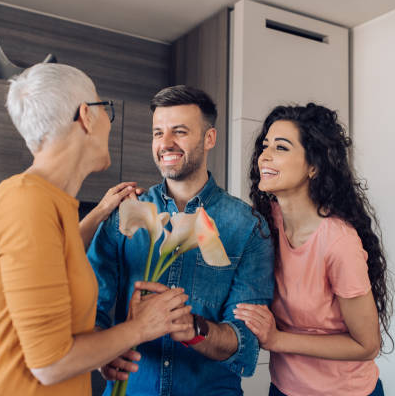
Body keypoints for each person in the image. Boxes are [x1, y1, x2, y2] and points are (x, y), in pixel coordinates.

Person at [0, 63, 193, 396]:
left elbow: (56, 261)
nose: (108, 124)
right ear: (86, 115)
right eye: (104, 109)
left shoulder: (49, 204)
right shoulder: (26, 204)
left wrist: (99, 213)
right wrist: (140, 328)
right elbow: (50, 364)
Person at [86, 85, 274, 396]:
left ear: (209, 138)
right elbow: (90, 308)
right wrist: (102, 354)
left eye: (180, 132)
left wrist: (194, 329)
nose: (165, 143)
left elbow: (246, 343)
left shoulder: (247, 227)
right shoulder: (126, 214)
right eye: (158, 133)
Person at [234, 103, 393, 396]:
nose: (264, 156)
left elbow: (367, 344)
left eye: (281, 148)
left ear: (313, 166)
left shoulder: (338, 242)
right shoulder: (266, 222)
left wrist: (278, 340)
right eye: (265, 145)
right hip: (283, 389)